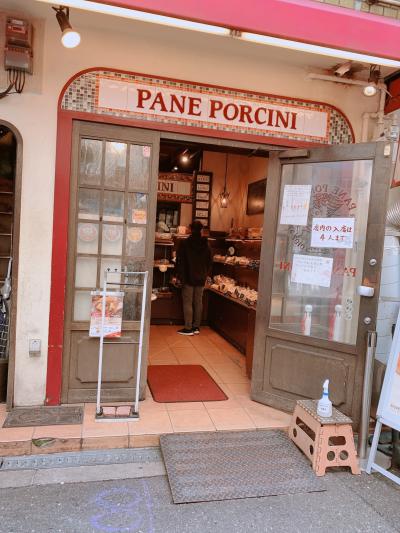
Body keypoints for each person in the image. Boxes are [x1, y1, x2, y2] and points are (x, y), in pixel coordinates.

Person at [176, 220, 212, 335]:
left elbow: (180, 261)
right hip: (201, 277)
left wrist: (180, 276)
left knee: (188, 302)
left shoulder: (185, 243)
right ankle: (196, 327)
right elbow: (209, 261)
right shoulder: (206, 244)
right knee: (198, 302)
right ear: (201, 230)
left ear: (191, 229)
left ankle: (188, 328)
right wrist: (205, 273)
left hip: (188, 277)